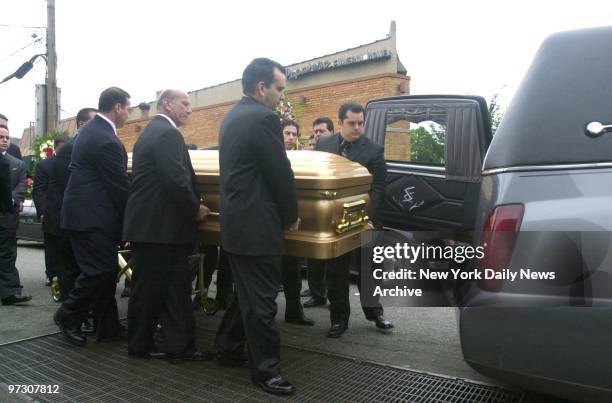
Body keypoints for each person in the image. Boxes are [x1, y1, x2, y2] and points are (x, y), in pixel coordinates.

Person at [215, 58, 300, 395]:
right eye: (279, 88)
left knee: (246, 296)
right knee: (262, 302)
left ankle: (227, 347)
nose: (281, 96)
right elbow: (279, 172)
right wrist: (290, 212)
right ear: (262, 87)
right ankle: (266, 371)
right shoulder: (264, 118)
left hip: (237, 224)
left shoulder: (233, 115)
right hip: (257, 226)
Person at [123, 89, 212, 362]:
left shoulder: (155, 132)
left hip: (159, 230)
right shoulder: (166, 134)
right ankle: (140, 345)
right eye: (184, 104)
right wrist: (195, 208)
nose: (189, 109)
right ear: (166, 104)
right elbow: (175, 179)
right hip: (158, 230)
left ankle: (179, 346)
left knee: (175, 291)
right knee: (150, 292)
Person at [53, 88, 131, 346]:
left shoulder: (91, 129)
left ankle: (107, 327)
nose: (129, 114)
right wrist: (135, 216)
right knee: (98, 272)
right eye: (128, 108)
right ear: (117, 107)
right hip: (92, 218)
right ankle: (67, 314)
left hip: (84, 215)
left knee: (105, 273)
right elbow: (118, 186)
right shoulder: (106, 139)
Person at [314, 102, 394, 338]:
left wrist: (367, 219)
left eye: (361, 123)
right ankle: (339, 319)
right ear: (340, 123)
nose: (358, 127)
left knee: (368, 269)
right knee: (335, 272)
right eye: (352, 123)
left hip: (364, 220)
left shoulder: (373, 150)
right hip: (334, 222)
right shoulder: (323, 145)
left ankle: (374, 312)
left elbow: (378, 188)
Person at [43, 108, 96, 307]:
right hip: (63, 221)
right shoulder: (72, 149)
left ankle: (79, 315)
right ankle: (71, 316)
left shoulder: (80, 147)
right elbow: (71, 191)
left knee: (77, 270)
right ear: (82, 125)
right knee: (69, 272)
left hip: (73, 219)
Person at [279, 119, 314, 326]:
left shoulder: (302, 158)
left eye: (294, 134)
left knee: (293, 269)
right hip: (275, 221)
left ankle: (293, 310)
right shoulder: (272, 154)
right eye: (287, 133)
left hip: (295, 221)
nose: (291, 137)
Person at [302, 117, 335, 307]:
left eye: (321, 131)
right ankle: (317, 293)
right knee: (313, 256)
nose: (317, 135)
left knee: (332, 259)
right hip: (314, 212)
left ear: (331, 132)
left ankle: (332, 294)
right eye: (315, 131)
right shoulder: (312, 154)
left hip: (332, 212)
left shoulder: (338, 154)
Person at [0, 125, 31, 305]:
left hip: (8, 215)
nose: (4, 140)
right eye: (1, 137)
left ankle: (11, 292)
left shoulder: (17, 164)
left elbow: (21, 186)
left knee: (7, 253)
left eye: (7, 137)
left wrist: (9, 201)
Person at [33, 135, 68, 285]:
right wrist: (43, 211)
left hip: (67, 211)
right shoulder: (45, 165)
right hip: (51, 211)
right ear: (55, 148)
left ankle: (64, 274)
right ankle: (50, 273)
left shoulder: (71, 163)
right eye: (61, 149)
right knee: (51, 245)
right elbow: (39, 190)